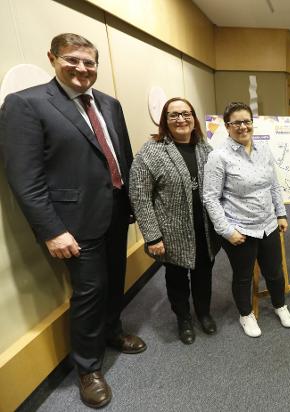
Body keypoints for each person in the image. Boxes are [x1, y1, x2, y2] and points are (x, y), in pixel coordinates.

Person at [0, 33, 145, 408]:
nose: (82, 68)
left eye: (89, 62)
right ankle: (88, 368)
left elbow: (122, 155)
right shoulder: (26, 104)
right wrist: (51, 230)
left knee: (115, 280)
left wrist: (130, 205)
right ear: (53, 58)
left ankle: (113, 331)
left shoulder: (109, 104)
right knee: (89, 293)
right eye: (73, 60)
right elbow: (24, 178)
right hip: (73, 223)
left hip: (114, 211)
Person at [129, 97, 220, 345]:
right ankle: (183, 319)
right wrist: (152, 236)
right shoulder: (152, 151)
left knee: (204, 273)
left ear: (194, 118)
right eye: (174, 115)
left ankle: (203, 312)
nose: (181, 119)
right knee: (177, 278)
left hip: (204, 229)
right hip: (172, 233)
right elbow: (139, 195)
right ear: (165, 121)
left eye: (186, 113)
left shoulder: (205, 148)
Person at [202, 102, 290, 338]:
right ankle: (245, 314)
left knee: (274, 271)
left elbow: (273, 185)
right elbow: (210, 198)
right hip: (239, 228)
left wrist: (281, 213)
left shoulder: (264, 150)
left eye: (247, 121)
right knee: (243, 276)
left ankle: (279, 305)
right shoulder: (218, 157)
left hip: (268, 224)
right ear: (227, 126)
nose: (243, 127)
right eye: (237, 123)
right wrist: (227, 231)